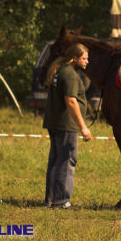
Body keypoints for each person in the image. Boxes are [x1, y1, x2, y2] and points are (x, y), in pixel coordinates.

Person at [43, 43, 92, 209]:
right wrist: (83, 127)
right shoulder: (70, 74)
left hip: (55, 122)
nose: (87, 62)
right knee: (66, 160)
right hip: (65, 124)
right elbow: (71, 101)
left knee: (56, 160)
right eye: (84, 58)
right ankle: (61, 201)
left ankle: (51, 199)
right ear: (75, 58)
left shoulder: (60, 71)